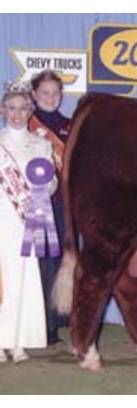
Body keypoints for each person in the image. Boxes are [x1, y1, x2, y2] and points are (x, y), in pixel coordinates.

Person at [0, 81, 57, 363]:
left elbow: (51, 182)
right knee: (3, 279)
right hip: (2, 217)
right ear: (2, 110)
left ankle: (19, 340)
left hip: (28, 219)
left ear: (30, 111)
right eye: (11, 108)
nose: (17, 114)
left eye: (23, 108)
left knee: (25, 278)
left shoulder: (42, 145)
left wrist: (42, 190)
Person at [29, 70, 70, 346]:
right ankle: (37, 323)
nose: (51, 98)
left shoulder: (70, 125)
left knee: (57, 263)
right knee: (37, 264)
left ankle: (54, 321)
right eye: (45, 92)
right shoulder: (25, 124)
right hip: (32, 205)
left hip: (62, 203)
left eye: (56, 93)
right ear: (34, 95)